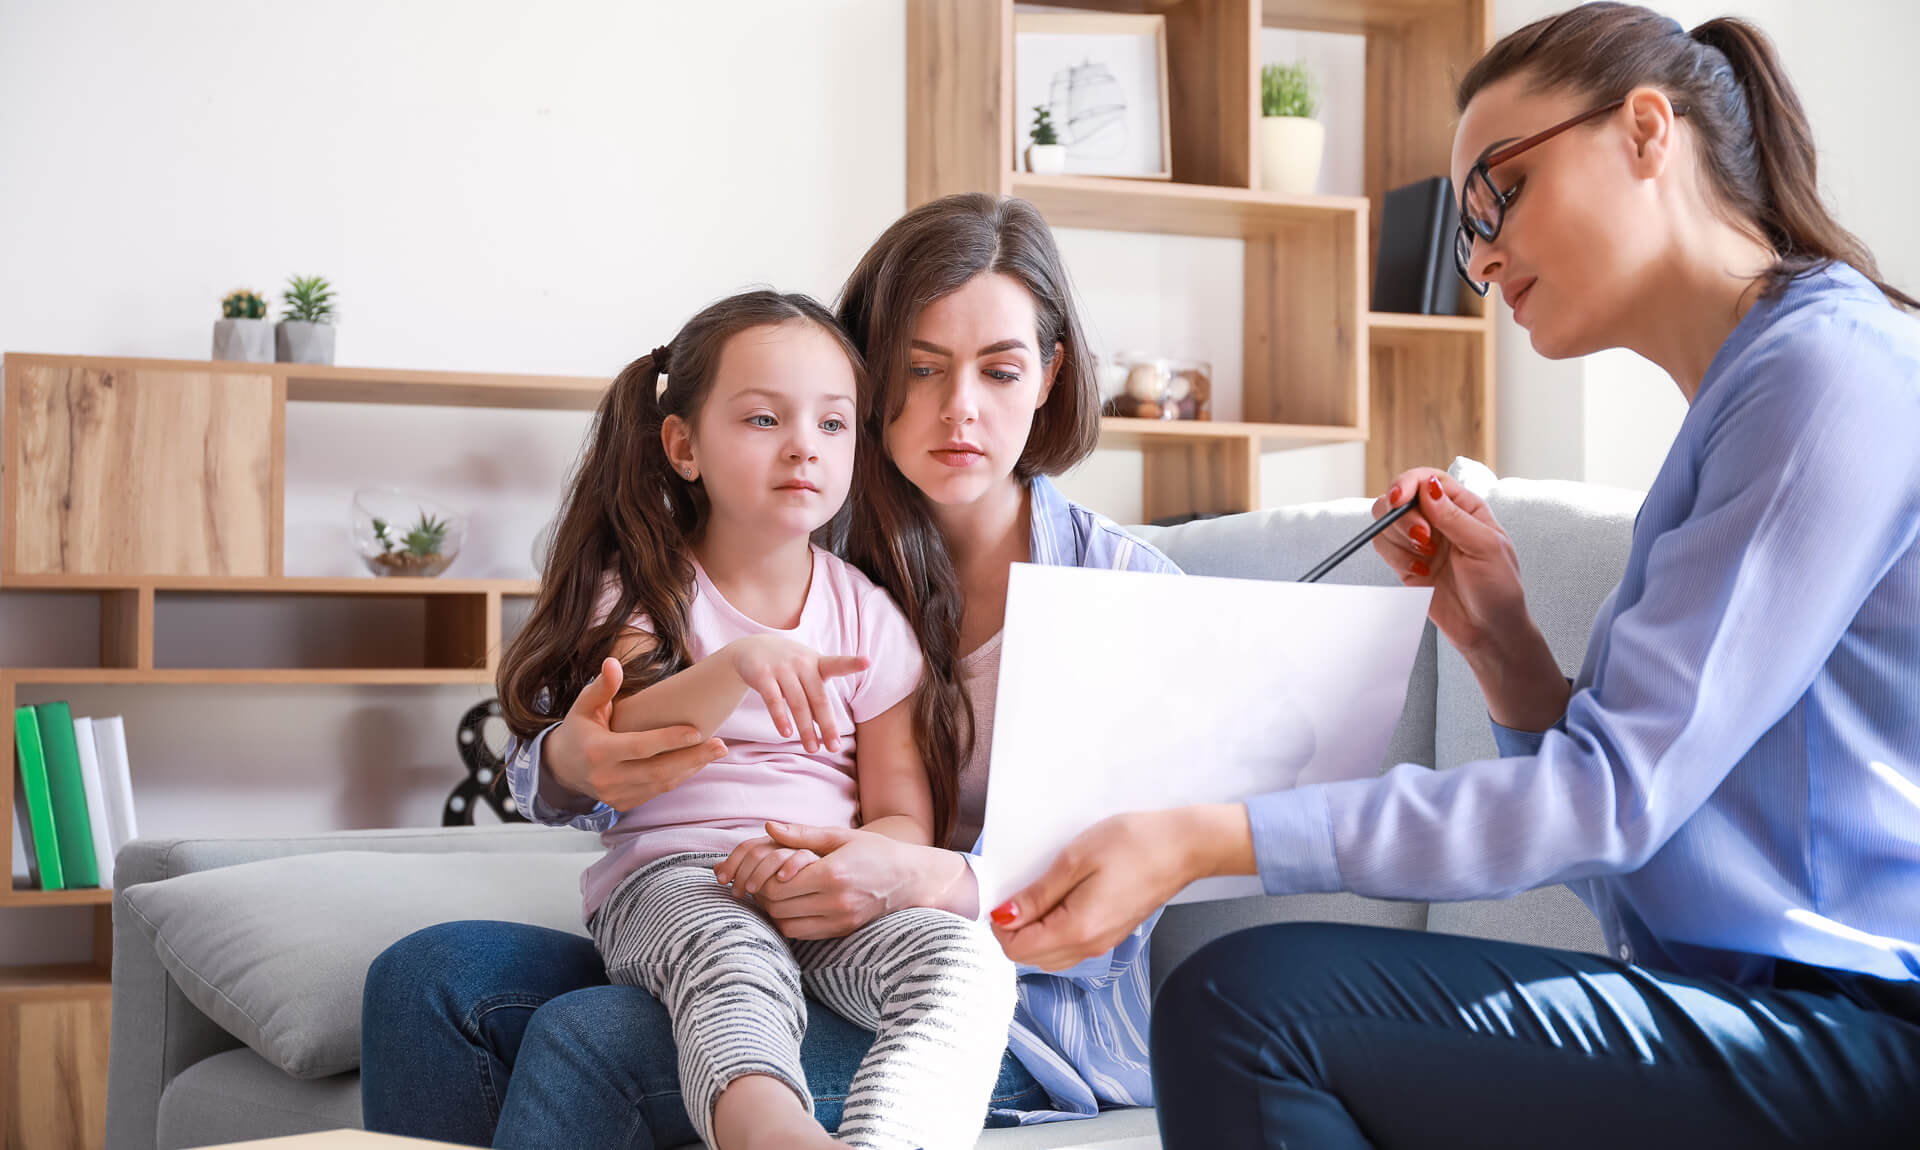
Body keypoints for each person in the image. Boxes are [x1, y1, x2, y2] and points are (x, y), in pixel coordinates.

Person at [986, 6, 1920, 1147]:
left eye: (1501, 191)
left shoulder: (1823, 374)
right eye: (1468, 222)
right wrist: (1501, 645)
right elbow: (1629, 843)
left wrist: (1205, 834)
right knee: (1251, 1007)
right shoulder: (1747, 400)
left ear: (1644, 132)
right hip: (1761, 1016)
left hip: (1855, 1034)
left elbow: (1612, 803)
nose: (1477, 255)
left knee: (1250, 1006)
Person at [361, 194, 1181, 1148]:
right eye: (919, 369)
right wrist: (574, 760)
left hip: (1010, 1004)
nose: (960, 408)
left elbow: (1140, 872)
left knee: (597, 1039)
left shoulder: (1122, 590)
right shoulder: (798, 524)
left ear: (1048, 376)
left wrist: (910, 875)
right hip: (731, 902)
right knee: (427, 982)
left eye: (1000, 369)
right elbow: (578, 753)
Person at [488, 288, 1017, 1150]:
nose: (805, 446)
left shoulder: (871, 617)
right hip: (675, 881)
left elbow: (902, 817)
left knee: (963, 965)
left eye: (834, 424)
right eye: (765, 420)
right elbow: (613, 733)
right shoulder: (646, 592)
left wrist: (833, 866)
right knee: (734, 966)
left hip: (829, 894)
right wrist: (734, 668)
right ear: (683, 445)